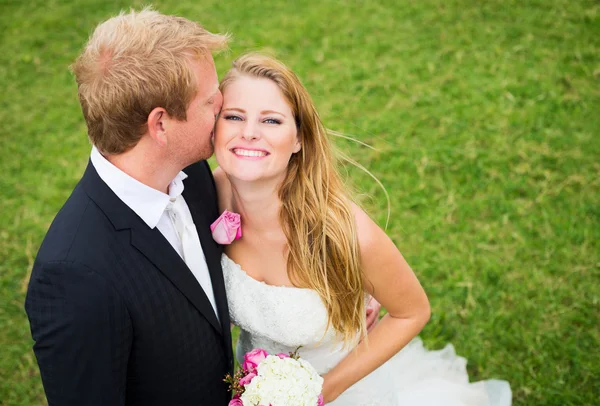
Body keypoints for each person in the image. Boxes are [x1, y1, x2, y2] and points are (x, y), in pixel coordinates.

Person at [24, 8, 380, 405]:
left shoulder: (194, 174)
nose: (223, 106)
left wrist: (350, 276)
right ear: (160, 125)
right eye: (212, 101)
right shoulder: (75, 276)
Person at [213, 53, 513, 405]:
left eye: (271, 121)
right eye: (234, 116)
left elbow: (412, 312)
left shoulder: (345, 231)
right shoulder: (208, 194)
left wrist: (320, 392)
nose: (249, 133)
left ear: (299, 139)